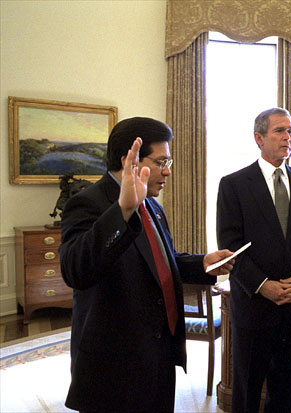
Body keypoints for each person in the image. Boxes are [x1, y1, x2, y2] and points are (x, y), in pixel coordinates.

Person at [59, 117, 234, 412]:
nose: (167, 171)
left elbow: (163, 262)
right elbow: (75, 270)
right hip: (114, 367)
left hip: (158, 356)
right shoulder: (86, 203)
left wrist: (203, 263)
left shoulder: (153, 205)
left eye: (170, 161)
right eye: (161, 161)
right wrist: (123, 211)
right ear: (130, 159)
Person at [216, 108, 291, 412]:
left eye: (290, 131)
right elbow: (230, 245)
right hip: (254, 304)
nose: (288, 137)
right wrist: (263, 285)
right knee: (248, 388)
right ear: (259, 138)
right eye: (279, 131)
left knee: (286, 386)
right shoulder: (234, 184)